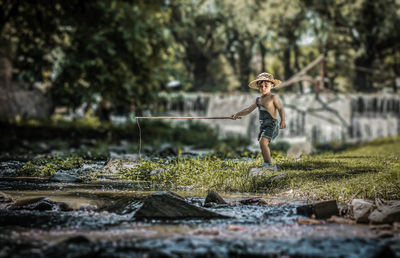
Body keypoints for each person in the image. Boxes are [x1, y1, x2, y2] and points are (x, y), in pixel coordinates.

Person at [231, 72, 286, 170]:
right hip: (264, 125)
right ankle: (267, 163)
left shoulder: (273, 97)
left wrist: (283, 121)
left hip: (272, 124)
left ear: (272, 85)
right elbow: (248, 110)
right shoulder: (258, 100)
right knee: (262, 143)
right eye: (261, 86)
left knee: (262, 142)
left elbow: (281, 109)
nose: (263, 88)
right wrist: (237, 114)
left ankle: (268, 164)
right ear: (258, 87)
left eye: (266, 85)